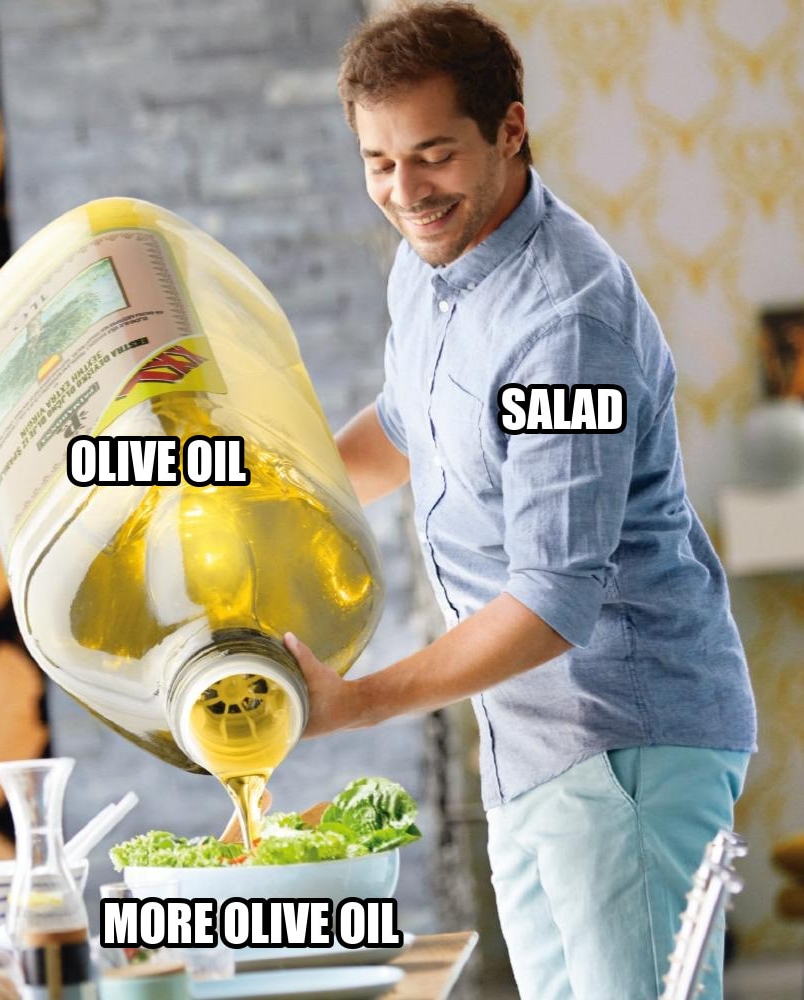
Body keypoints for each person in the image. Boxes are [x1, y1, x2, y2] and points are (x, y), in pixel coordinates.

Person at [281, 3, 758, 999]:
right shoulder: (431, 266)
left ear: (508, 129)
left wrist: (353, 704)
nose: (405, 192)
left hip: (623, 743)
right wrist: (267, 493)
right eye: (379, 162)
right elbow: (407, 427)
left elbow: (551, 601)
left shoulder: (565, 324)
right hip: (527, 745)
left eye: (433, 156)